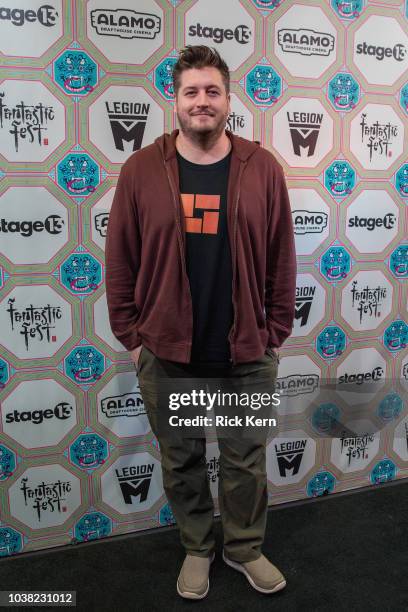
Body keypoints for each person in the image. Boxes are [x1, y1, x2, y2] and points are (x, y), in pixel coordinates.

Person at [105, 45, 296, 600]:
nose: (202, 101)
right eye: (192, 91)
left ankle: (244, 549)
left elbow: (282, 254)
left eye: (212, 91)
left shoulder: (261, 167)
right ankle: (195, 547)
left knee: (245, 464)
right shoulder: (142, 169)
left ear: (228, 99)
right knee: (183, 460)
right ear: (176, 99)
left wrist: (274, 333)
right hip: (168, 355)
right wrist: (134, 336)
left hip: (245, 356)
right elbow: (121, 257)